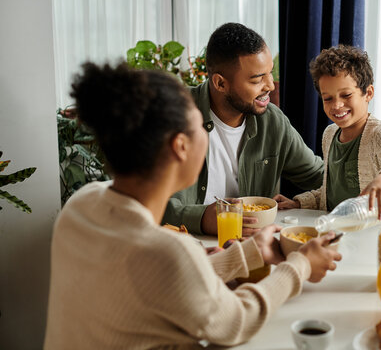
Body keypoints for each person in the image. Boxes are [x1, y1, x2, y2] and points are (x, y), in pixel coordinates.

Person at [44, 63, 342, 349]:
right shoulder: (166, 251)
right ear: (180, 146)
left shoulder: (80, 206)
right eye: (201, 126)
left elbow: (164, 280)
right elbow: (236, 321)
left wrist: (247, 254)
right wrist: (300, 266)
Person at [162, 22, 324, 236]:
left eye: (269, 74)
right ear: (220, 83)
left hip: (253, 251)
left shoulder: (272, 122)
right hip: (184, 252)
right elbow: (139, 200)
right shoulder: (172, 117)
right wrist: (202, 219)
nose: (270, 86)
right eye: (257, 79)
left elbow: (322, 177)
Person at [274, 45, 381, 215]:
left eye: (346, 95)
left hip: (370, 233)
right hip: (334, 230)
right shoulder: (329, 135)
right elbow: (330, 192)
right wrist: (298, 203)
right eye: (328, 98)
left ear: (368, 93)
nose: (336, 105)